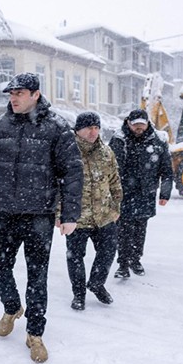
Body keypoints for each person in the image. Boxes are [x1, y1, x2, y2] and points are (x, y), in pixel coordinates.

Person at [0, 72, 83, 363]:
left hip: (39, 214)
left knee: (37, 276)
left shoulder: (57, 128)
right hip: (4, 212)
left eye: (20, 94)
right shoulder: (0, 127)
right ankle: (12, 307)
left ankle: (35, 333)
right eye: (11, 94)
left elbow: (73, 173)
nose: (13, 99)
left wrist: (70, 214)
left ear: (36, 94)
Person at [60, 111, 122, 310]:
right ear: (78, 130)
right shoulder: (67, 152)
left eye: (96, 128)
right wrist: (59, 214)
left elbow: (114, 180)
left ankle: (97, 283)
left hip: (104, 215)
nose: (93, 132)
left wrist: (116, 206)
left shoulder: (106, 152)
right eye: (89, 128)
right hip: (77, 217)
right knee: (75, 256)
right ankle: (78, 294)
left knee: (109, 249)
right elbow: (57, 185)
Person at [109, 109, 173, 279]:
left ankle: (136, 260)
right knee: (123, 229)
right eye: (136, 124)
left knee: (140, 229)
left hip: (146, 193)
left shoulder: (157, 141)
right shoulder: (118, 140)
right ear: (129, 123)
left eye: (142, 125)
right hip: (123, 194)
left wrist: (165, 193)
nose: (139, 128)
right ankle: (123, 263)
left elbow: (166, 169)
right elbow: (107, 167)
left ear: (147, 124)